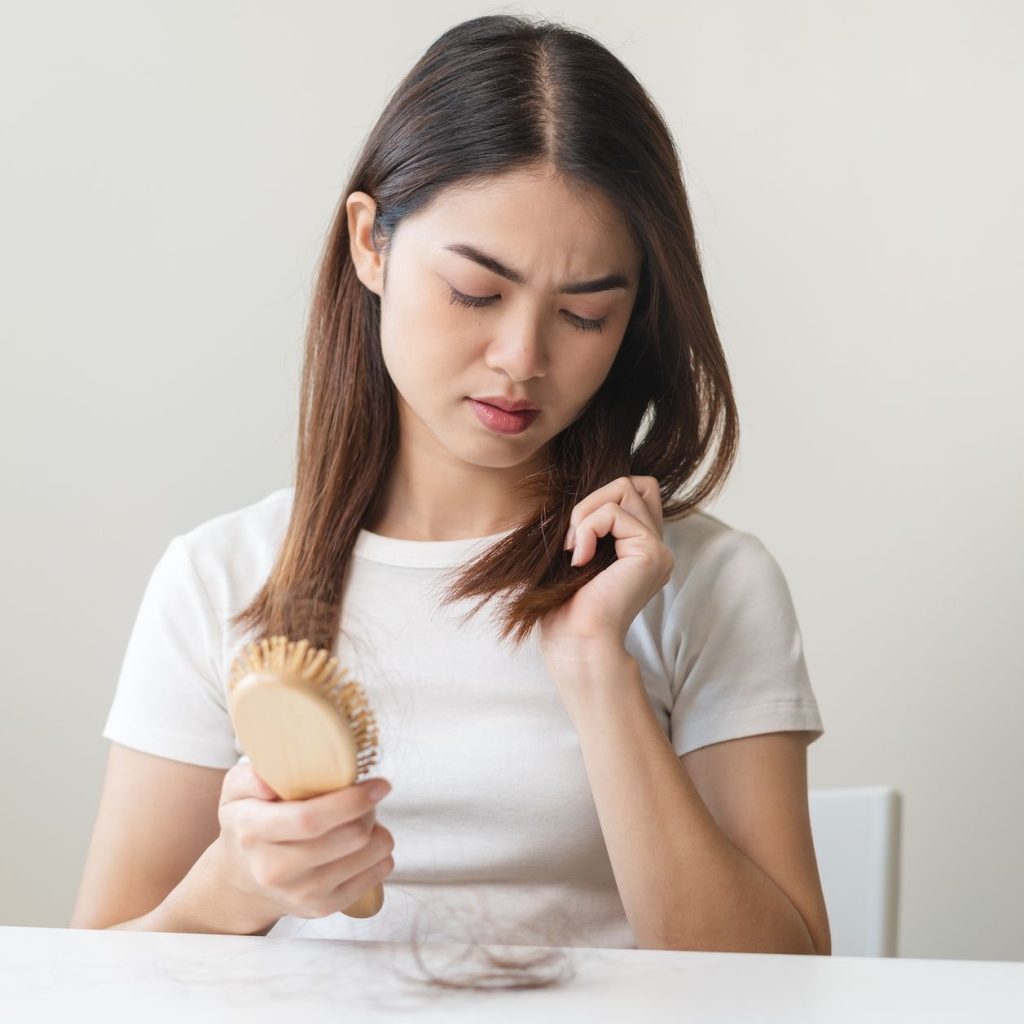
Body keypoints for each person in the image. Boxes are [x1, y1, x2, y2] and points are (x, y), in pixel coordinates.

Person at [71, 14, 830, 957]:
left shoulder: (703, 585)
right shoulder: (220, 580)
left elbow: (781, 985)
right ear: (370, 244)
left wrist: (597, 664)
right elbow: (93, 977)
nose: (521, 358)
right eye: (477, 292)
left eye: (586, 313)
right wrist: (234, 886)